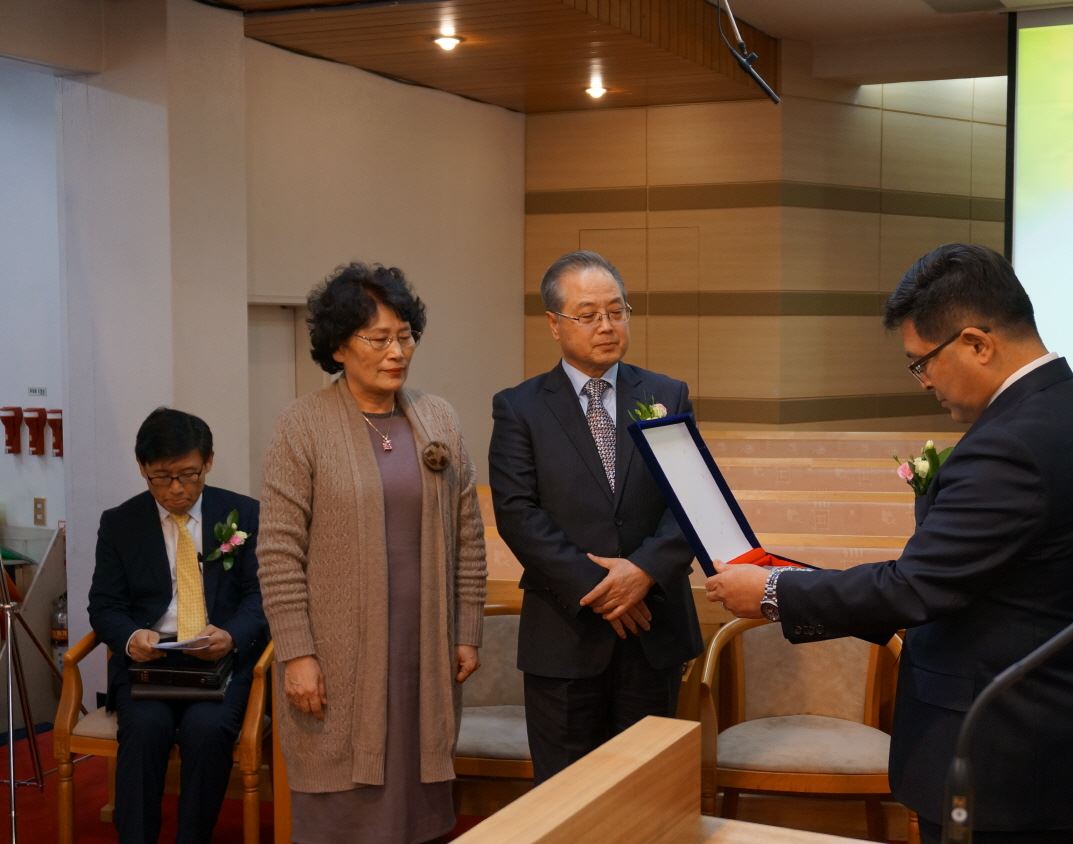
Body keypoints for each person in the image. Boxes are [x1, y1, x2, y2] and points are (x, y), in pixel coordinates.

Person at [705, 244, 1073, 844]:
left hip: (1003, 752)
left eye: (922, 363)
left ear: (976, 343)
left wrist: (774, 590)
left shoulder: (1013, 443)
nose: (925, 383)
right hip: (1046, 735)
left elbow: (917, 588)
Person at [257, 262, 487, 844]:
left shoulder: (437, 417)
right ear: (339, 346)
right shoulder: (302, 425)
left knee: (419, 800)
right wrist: (297, 653)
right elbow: (278, 552)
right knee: (342, 805)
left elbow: (468, 535)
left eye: (405, 336)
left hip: (423, 651)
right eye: (378, 338)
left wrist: (467, 630)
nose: (397, 352)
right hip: (338, 656)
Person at [489, 249, 703, 783]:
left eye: (616, 311)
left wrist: (643, 571)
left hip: (653, 628)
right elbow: (517, 514)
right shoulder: (520, 407)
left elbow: (691, 503)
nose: (606, 326)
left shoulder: (665, 394)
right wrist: (603, 589)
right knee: (567, 792)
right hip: (567, 634)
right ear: (554, 324)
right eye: (588, 315)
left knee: (648, 790)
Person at [88, 408, 268, 844]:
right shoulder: (120, 523)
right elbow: (105, 605)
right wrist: (132, 637)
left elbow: (260, 597)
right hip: (150, 665)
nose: (176, 489)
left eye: (188, 475)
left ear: (208, 462)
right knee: (143, 729)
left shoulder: (244, 514)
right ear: (142, 468)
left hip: (219, 662)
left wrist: (230, 636)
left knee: (208, 731)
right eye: (162, 477)